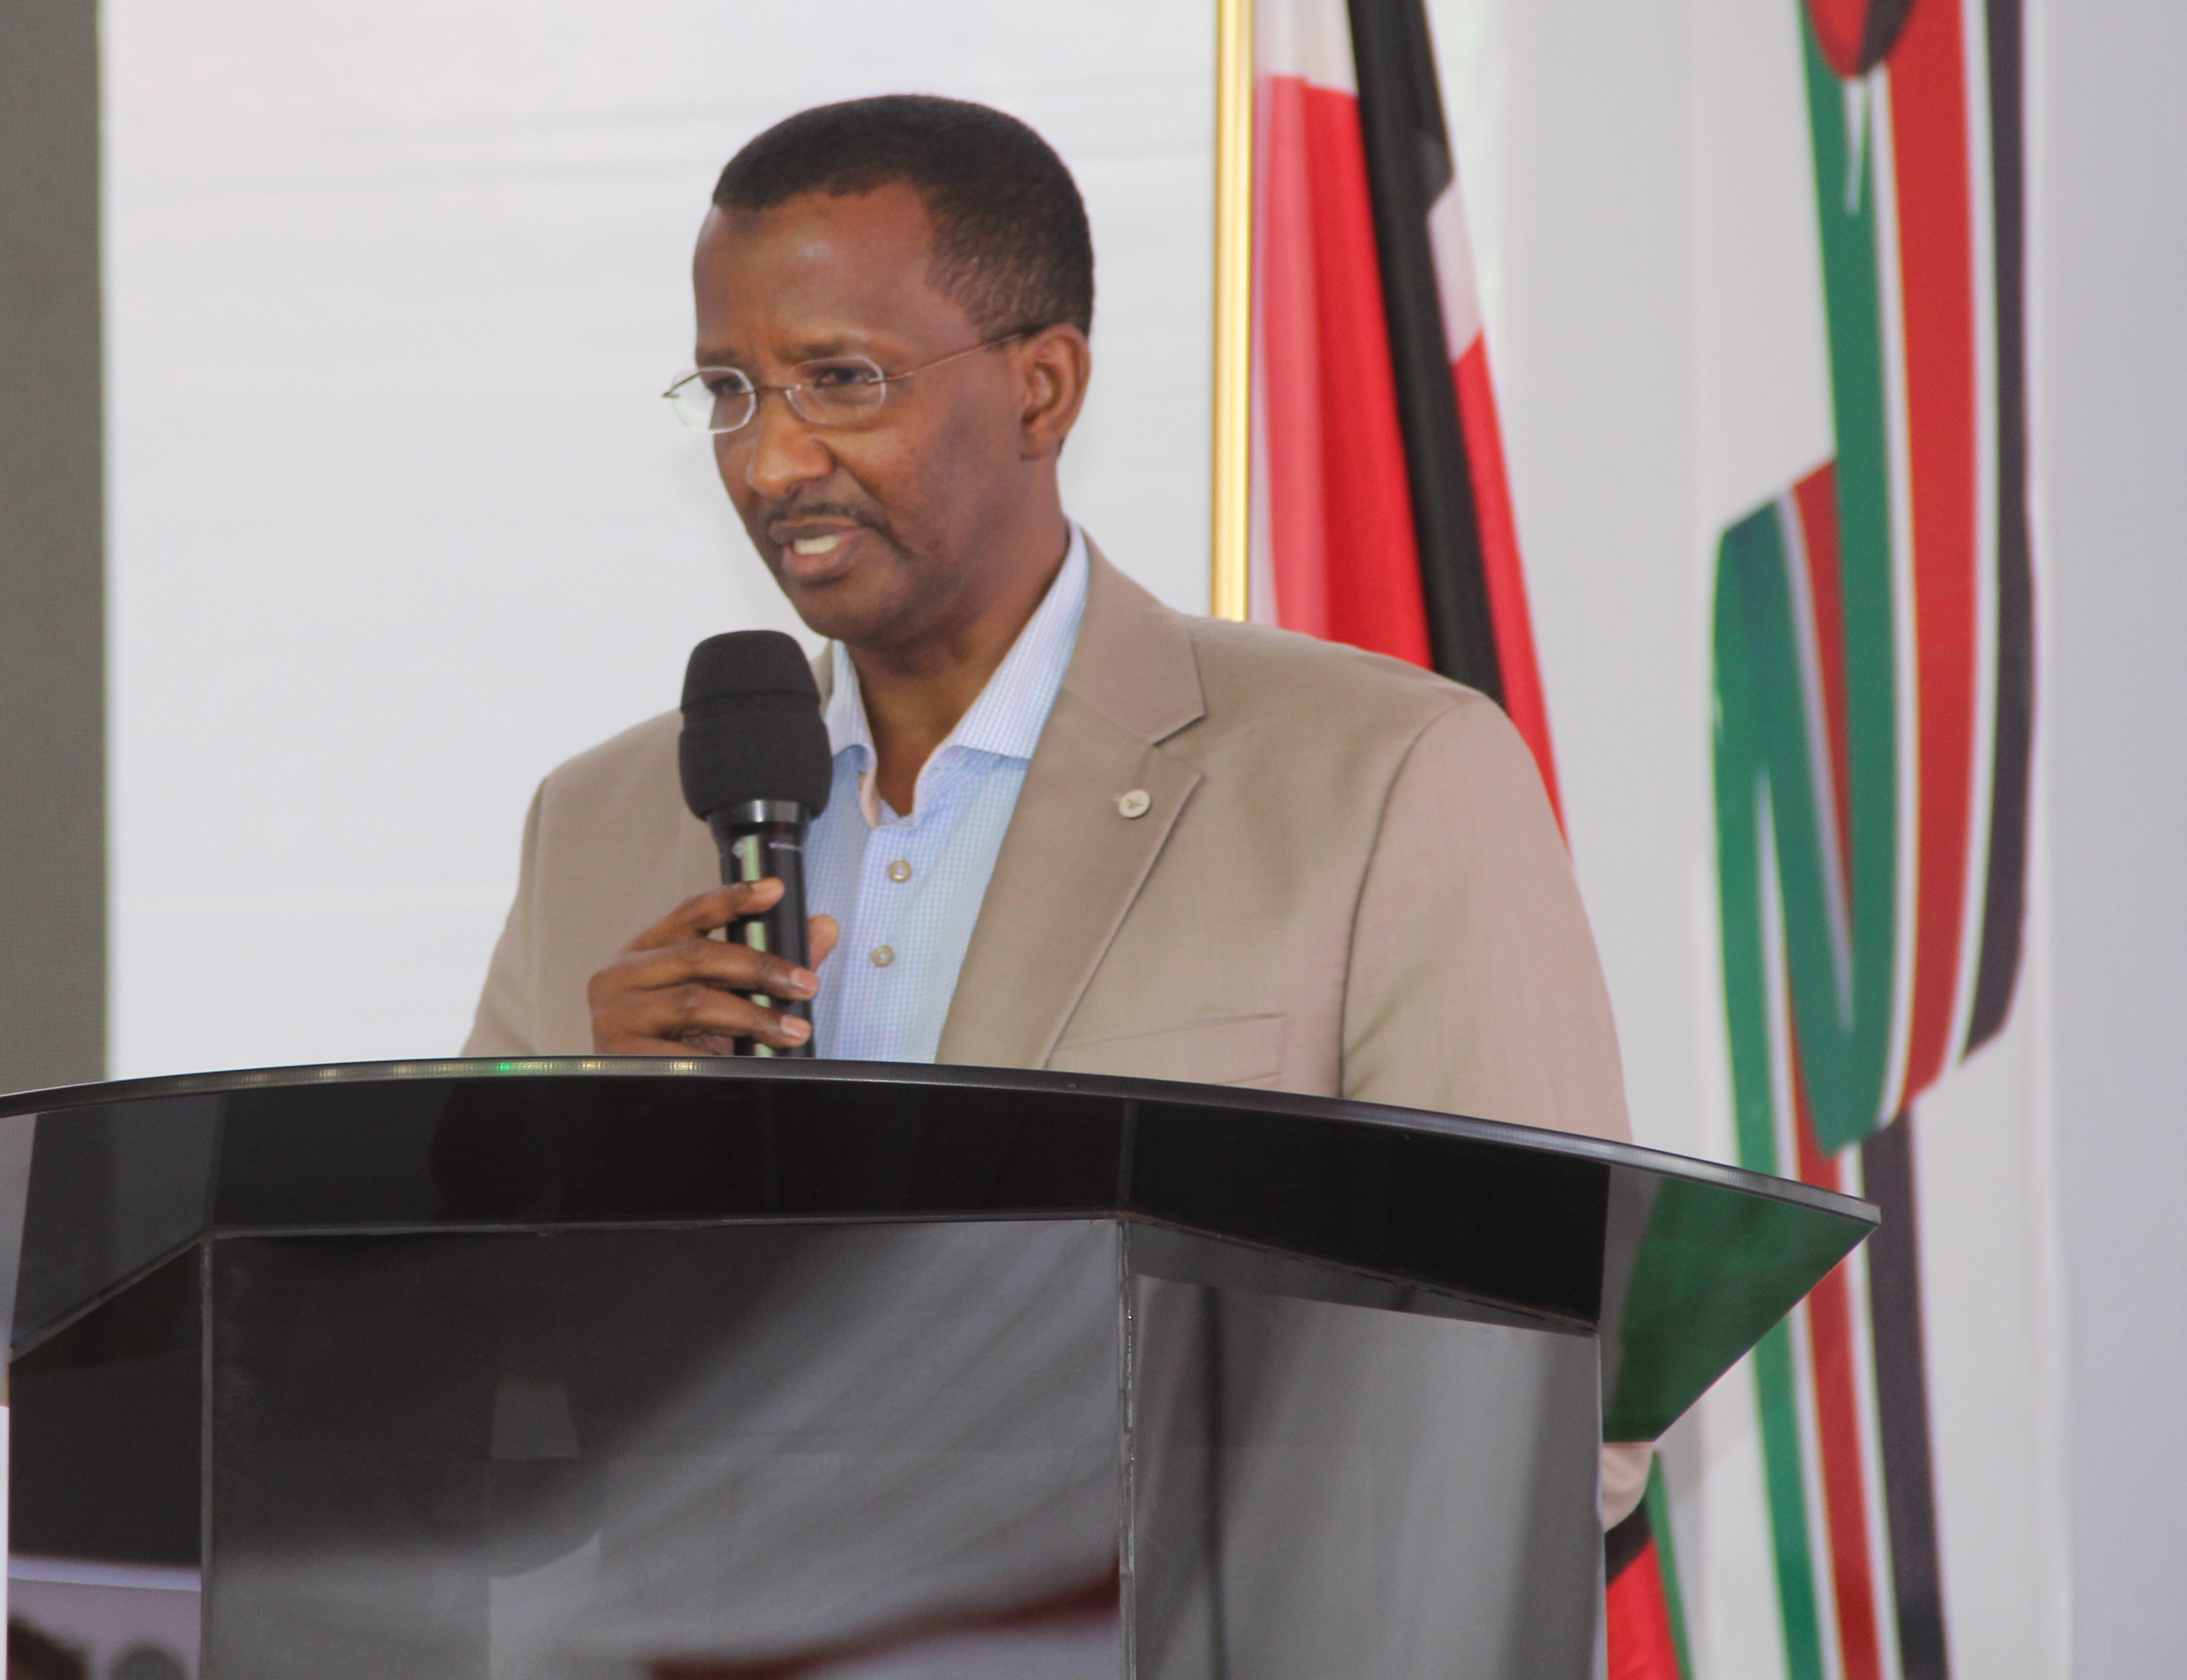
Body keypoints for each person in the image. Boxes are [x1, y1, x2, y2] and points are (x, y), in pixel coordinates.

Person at [461, 95, 1649, 1524]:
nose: (770, 464)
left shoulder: (1385, 776)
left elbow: (1557, 1398)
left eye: (839, 379)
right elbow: (447, 1375)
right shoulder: (598, 824)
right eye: (729, 393)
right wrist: (586, 1155)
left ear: (1043, 388)